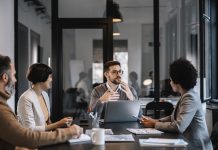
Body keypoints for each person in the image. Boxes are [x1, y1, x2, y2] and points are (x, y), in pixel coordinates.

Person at [0, 54, 82, 149]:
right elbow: (27, 135)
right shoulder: (19, 101)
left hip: (44, 142)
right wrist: (66, 131)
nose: (15, 79)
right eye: (13, 75)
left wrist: (62, 126)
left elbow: (46, 123)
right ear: (5, 77)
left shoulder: (45, 95)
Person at [140, 58, 213, 149]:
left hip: (197, 147)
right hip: (187, 144)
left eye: (171, 80)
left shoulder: (190, 97)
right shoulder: (186, 94)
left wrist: (154, 124)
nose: (170, 83)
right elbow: (173, 117)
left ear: (177, 81)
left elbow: (179, 126)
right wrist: (154, 120)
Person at [17, 63, 72, 131]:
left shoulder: (44, 95)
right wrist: (58, 124)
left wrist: (62, 126)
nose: (51, 80)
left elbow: (47, 122)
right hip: (34, 140)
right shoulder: (25, 98)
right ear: (42, 77)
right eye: (50, 77)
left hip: (46, 137)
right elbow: (30, 129)